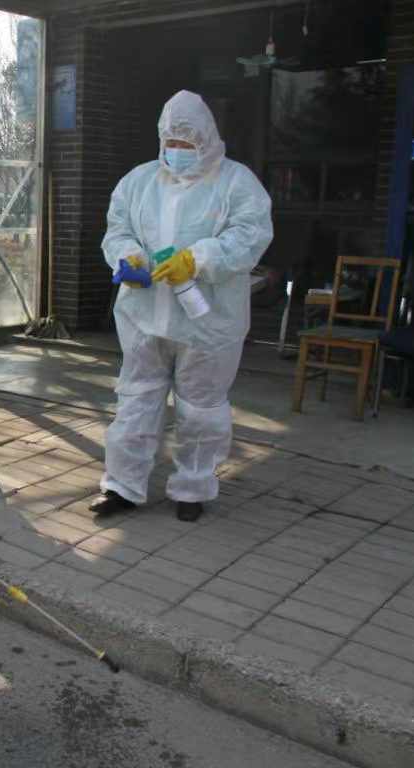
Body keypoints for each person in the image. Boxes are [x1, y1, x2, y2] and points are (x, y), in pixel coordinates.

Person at [90, 90, 272, 523]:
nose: (177, 150)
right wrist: (129, 257)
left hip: (207, 321)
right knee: (135, 400)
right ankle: (122, 486)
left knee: (200, 408)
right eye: (170, 141)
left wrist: (199, 258)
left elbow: (250, 235)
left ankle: (193, 488)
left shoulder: (236, 182)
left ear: (206, 140)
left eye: (186, 143)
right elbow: (117, 230)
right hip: (143, 314)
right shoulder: (139, 181)